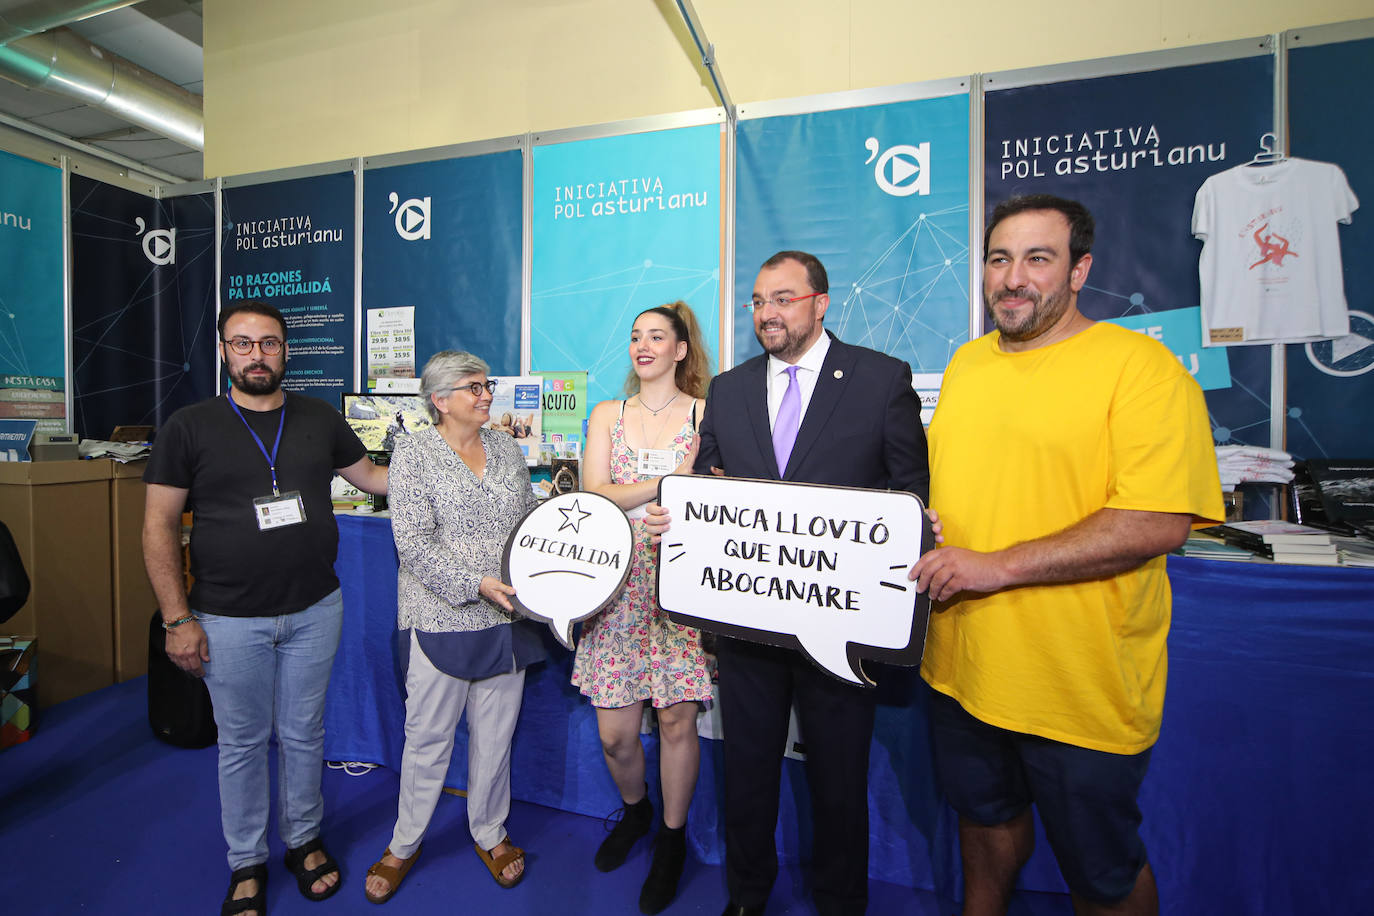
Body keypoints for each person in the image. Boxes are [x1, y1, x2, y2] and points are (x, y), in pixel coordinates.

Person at [908, 195, 1224, 916]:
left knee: (1101, 870)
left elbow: (1158, 519)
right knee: (983, 828)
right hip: (963, 667)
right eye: (999, 259)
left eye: (1037, 259)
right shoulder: (966, 364)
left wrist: (999, 564)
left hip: (1078, 685)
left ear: (1080, 270)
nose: (1013, 278)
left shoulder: (1140, 367)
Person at [652, 252, 929, 916]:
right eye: (756, 301)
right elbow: (711, 482)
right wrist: (683, 513)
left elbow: (910, 492)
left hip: (840, 627)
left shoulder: (879, 378)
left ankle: (839, 903)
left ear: (820, 303)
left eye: (782, 298)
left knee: (838, 779)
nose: (767, 314)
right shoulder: (732, 387)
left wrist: (918, 527)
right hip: (747, 628)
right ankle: (748, 896)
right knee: (747, 772)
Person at [142, 300, 389, 916]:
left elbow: (374, 480)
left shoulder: (318, 419)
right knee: (243, 743)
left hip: (314, 609)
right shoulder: (189, 426)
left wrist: (451, 450)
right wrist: (177, 619)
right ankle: (246, 861)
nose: (258, 354)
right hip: (226, 618)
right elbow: (158, 527)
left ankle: (303, 840)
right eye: (243, 343)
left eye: (270, 343)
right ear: (224, 351)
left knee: (306, 735)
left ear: (286, 350)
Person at [362, 350, 542, 904]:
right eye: (473, 387)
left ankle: (489, 831)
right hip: (440, 615)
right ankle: (405, 842)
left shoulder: (507, 447)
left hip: (509, 616)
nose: (487, 394)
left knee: (495, 736)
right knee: (428, 739)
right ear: (439, 400)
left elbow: (528, 516)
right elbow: (413, 544)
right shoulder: (413, 453)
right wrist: (477, 583)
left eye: (486, 385)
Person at [572, 301, 714, 915]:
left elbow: (717, 492)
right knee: (616, 735)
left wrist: (684, 494)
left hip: (681, 584)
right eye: (635, 336)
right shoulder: (608, 413)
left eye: (657, 336)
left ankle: (674, 842)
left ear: (681, 348)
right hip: (616, 584)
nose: (643, 345)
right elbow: (593, 493)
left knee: (679, 721)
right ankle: (637, 813)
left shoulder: (709, 413)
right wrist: (667, 484)